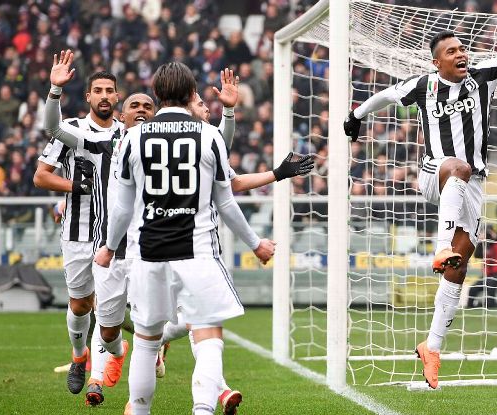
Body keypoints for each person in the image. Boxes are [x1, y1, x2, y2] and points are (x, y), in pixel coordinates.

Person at [343, 1, 497, 389]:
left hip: (472, 186)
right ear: (437, 63)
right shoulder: (423, 85)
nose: (461, 54)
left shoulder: (483, 77)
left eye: (461, 49)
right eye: (451, 52)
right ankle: (441, 247)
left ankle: (432, 347)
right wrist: (355, 115)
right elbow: (386, 97)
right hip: (435, 173)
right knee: (456, 167)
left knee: (458, 269)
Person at [94, 62, 275, 415]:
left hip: (148, 253)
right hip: (198, 253)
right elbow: (225, 201)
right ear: (192, 93)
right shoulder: (209, 136)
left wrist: (109, 248)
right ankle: (203, 410)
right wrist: (255, 243)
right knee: (208, 337)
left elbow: (121, 207)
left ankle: (141, 409)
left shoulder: (132, 138)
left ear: (158, 94)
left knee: (146, 343)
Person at [157, 69, 312, 413]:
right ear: (185, 101)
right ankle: (201, 390)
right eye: (200, 101)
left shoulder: (186, 139)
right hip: (190, 245)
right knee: (200, 323)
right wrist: (256, 242)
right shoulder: (179, 139)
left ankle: (212, 388)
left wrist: (276, 172)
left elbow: (227, 175)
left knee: (188, 322)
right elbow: (227, 193)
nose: (206, 106)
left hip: (158, 247)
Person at [35, 51, 122, 399]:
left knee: (106, 306)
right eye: (97, 90)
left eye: (109, 90)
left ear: (117, 96)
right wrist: (74, 186)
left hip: (114, 237)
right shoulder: (71, 129)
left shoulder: (128, 134)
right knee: (80, 304)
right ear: (88, 96)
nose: (104, 96)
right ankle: (79, 356)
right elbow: (41, 177)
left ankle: (96, 380)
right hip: (77, 231)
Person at [467, 227, 497, 308]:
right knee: (473, 288)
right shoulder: (485, 245)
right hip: (489, 275)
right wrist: (482, 241)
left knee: (490, 282)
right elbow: (477, 255)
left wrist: (496, 237)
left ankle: (491, 305)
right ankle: (470, 306)